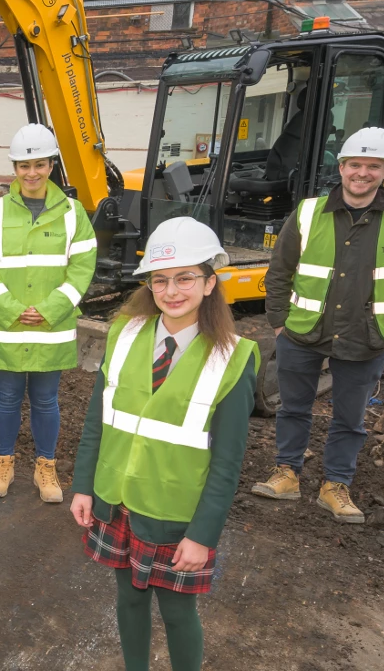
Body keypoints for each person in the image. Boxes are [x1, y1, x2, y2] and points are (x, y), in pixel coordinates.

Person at [69, 217, 258, 671]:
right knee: (127, 597)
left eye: (185, 278)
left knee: (176, 611)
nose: (172, 291)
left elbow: (228, 462)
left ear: (210, 282)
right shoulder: (125, 333)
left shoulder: (234, 358)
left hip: (176, 512)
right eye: (160, 280)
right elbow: (99, 418)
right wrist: (83, 485)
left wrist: (202, 535)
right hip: (115, 498)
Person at [252, 127, 384, 523]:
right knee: (293, 408)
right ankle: (287, 473)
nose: (362, 173)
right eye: (355, 165)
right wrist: (279, 321)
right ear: (342, 167)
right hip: (302, 330)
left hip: (366, 335)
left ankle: (335, 485)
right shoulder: (309, 212)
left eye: (373, 166)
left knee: (351, 418)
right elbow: (280, 270)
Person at [0, 123, 96, 503]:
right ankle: (3, 463)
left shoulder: (73, 214)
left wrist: (50, 308)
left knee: (45, 399)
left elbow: (83, 266)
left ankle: (46, 467)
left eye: (39, 164)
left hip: (49, 327)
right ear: (14, 168)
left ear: (51, 165)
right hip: (7, 327)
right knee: (6, 396)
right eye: (24, 166)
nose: (32, 173)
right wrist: (10, 308)